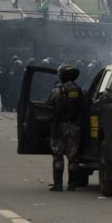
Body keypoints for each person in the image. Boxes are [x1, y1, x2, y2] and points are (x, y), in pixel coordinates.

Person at [45, 64, 86, 192]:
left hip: (59, 127)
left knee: (58, 156)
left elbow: (47, 104)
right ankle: (72, 184)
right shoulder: (81, 91)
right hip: (75, 127)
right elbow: (85, 108)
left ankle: (58, 184)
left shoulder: (57, 91)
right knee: (73, 157)